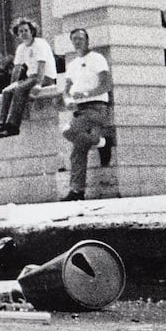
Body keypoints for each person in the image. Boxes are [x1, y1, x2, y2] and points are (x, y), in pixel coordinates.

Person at [60, 27, 112, 202]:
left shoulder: (97, 59)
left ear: (87, 40)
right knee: (77, 152)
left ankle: (101, 142)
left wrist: (86, 94)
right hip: (79, 111)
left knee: (67, 131)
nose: (77, 41)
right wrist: (68, 101)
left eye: (80, 38)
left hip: (97, 108)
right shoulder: (72, 65)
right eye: (74, 38)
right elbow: (66, 91)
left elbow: (107, 85)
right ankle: (77, 191)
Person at [0, 17, 57, 138]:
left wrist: (38, 85)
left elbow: (41, 65)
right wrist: (12, 84)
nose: (24, 34)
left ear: (32, 31)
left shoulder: (40, 44)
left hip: (45, 77)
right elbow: (17, 69)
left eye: (26, 30)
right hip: (31, 78)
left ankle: (13, 126)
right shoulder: (21, 48)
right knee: (6, 91)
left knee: (19, 89)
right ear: (17, 35)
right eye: (20, 32)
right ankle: (1, 125)